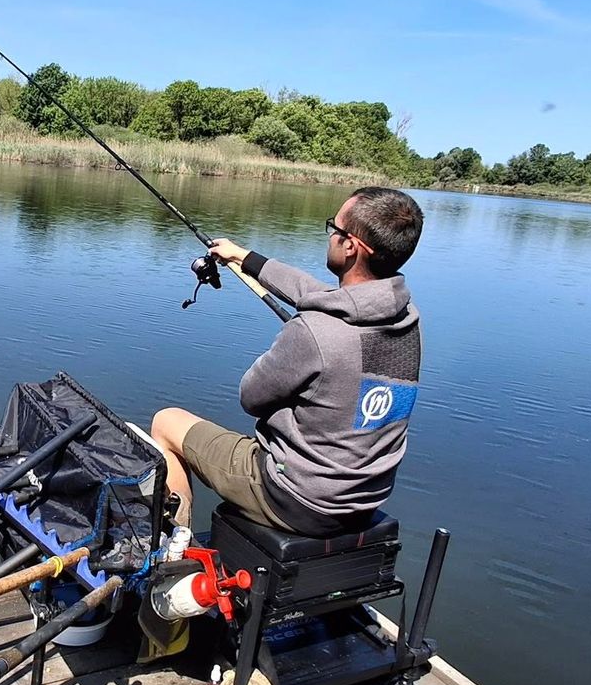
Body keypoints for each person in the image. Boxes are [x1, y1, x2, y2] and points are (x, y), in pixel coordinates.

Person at [149, 187, 424, 536]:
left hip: (294, 497)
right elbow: (316, 293)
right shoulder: (406, 317)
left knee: (166, 422)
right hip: (363, 498)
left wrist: (299, 355)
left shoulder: (316, 331)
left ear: (351, 246)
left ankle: (175, 553)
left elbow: (251, 397)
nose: (330, 238)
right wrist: (242, 256)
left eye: (334, 229)